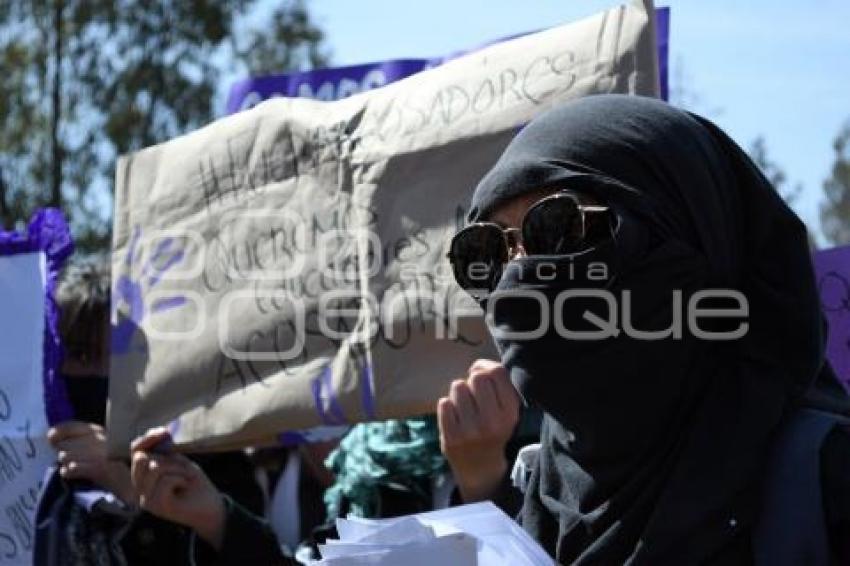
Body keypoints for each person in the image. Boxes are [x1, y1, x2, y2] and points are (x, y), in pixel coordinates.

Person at [438, 94, 850, 564]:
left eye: (558, 227)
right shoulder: (530, 503)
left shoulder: (823, 485)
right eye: (487, 251)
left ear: (692, 233)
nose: (518, 276)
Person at [39, 260, 268, 565]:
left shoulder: (207, 463)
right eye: (81, 355)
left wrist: (131, 491)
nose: (104, 375)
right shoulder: (23, 455)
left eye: (123, 360)